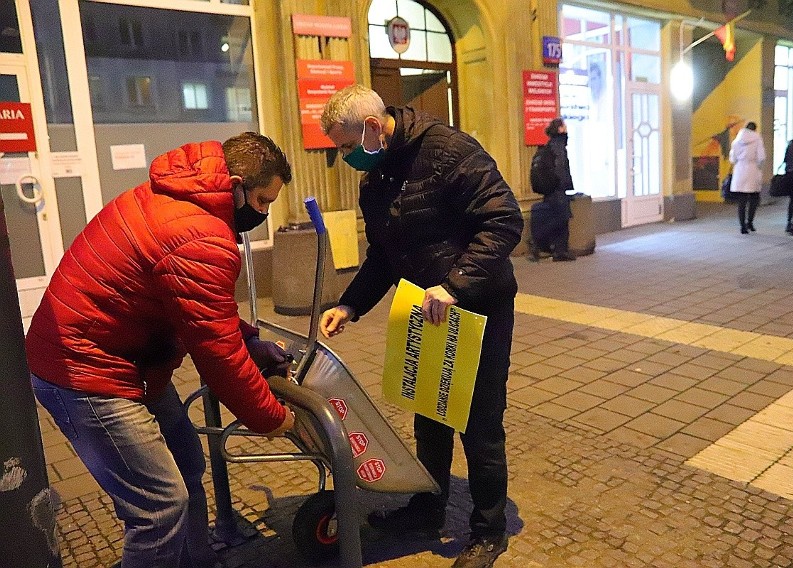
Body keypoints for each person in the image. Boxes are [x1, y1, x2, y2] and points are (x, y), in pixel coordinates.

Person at [25, 133, 297, 568]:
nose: (263, 213)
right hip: (86, 372)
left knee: (186, 461)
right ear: (235, 185)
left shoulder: (175, 196)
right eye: (263, 201)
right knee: (158, 505)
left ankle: (195, 560)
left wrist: (250, 340)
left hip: (122, 359)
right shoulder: (200, 234)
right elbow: (216, 352)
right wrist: (272, 417)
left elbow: (200, 309)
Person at [319, 84, 522, 568]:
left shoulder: (449, 150)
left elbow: (504, 221)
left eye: (346, 145)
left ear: (373, 126)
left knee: (479, 423)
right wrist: (350, 305)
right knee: (429, 417)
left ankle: (488, 531)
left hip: (477, 307)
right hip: (423, 312)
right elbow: (384, 256)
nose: (345, 157)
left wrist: (454, 285)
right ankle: (427, 508)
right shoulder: (379, 176)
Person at [528, 117, 575, 262]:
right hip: (557, 190)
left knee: (557, 218)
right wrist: (563, 185)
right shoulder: (558, 145)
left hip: (550, 189)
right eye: (564, 126)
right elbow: (560, 169)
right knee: (561, 218)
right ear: (560, 129)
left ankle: (558, 250)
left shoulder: (549, 145)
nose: (566, 128)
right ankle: (542, 243)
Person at [729, 121, 766, 234]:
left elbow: (732, 159)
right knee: (754, 198)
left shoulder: (736, 141)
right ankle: (750, 222)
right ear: (755, 129)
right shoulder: (757, 139)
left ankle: (742, 226)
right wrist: (759, 167)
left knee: (742, 201)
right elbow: (761, 157)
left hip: (740, 170)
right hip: (753, 170)